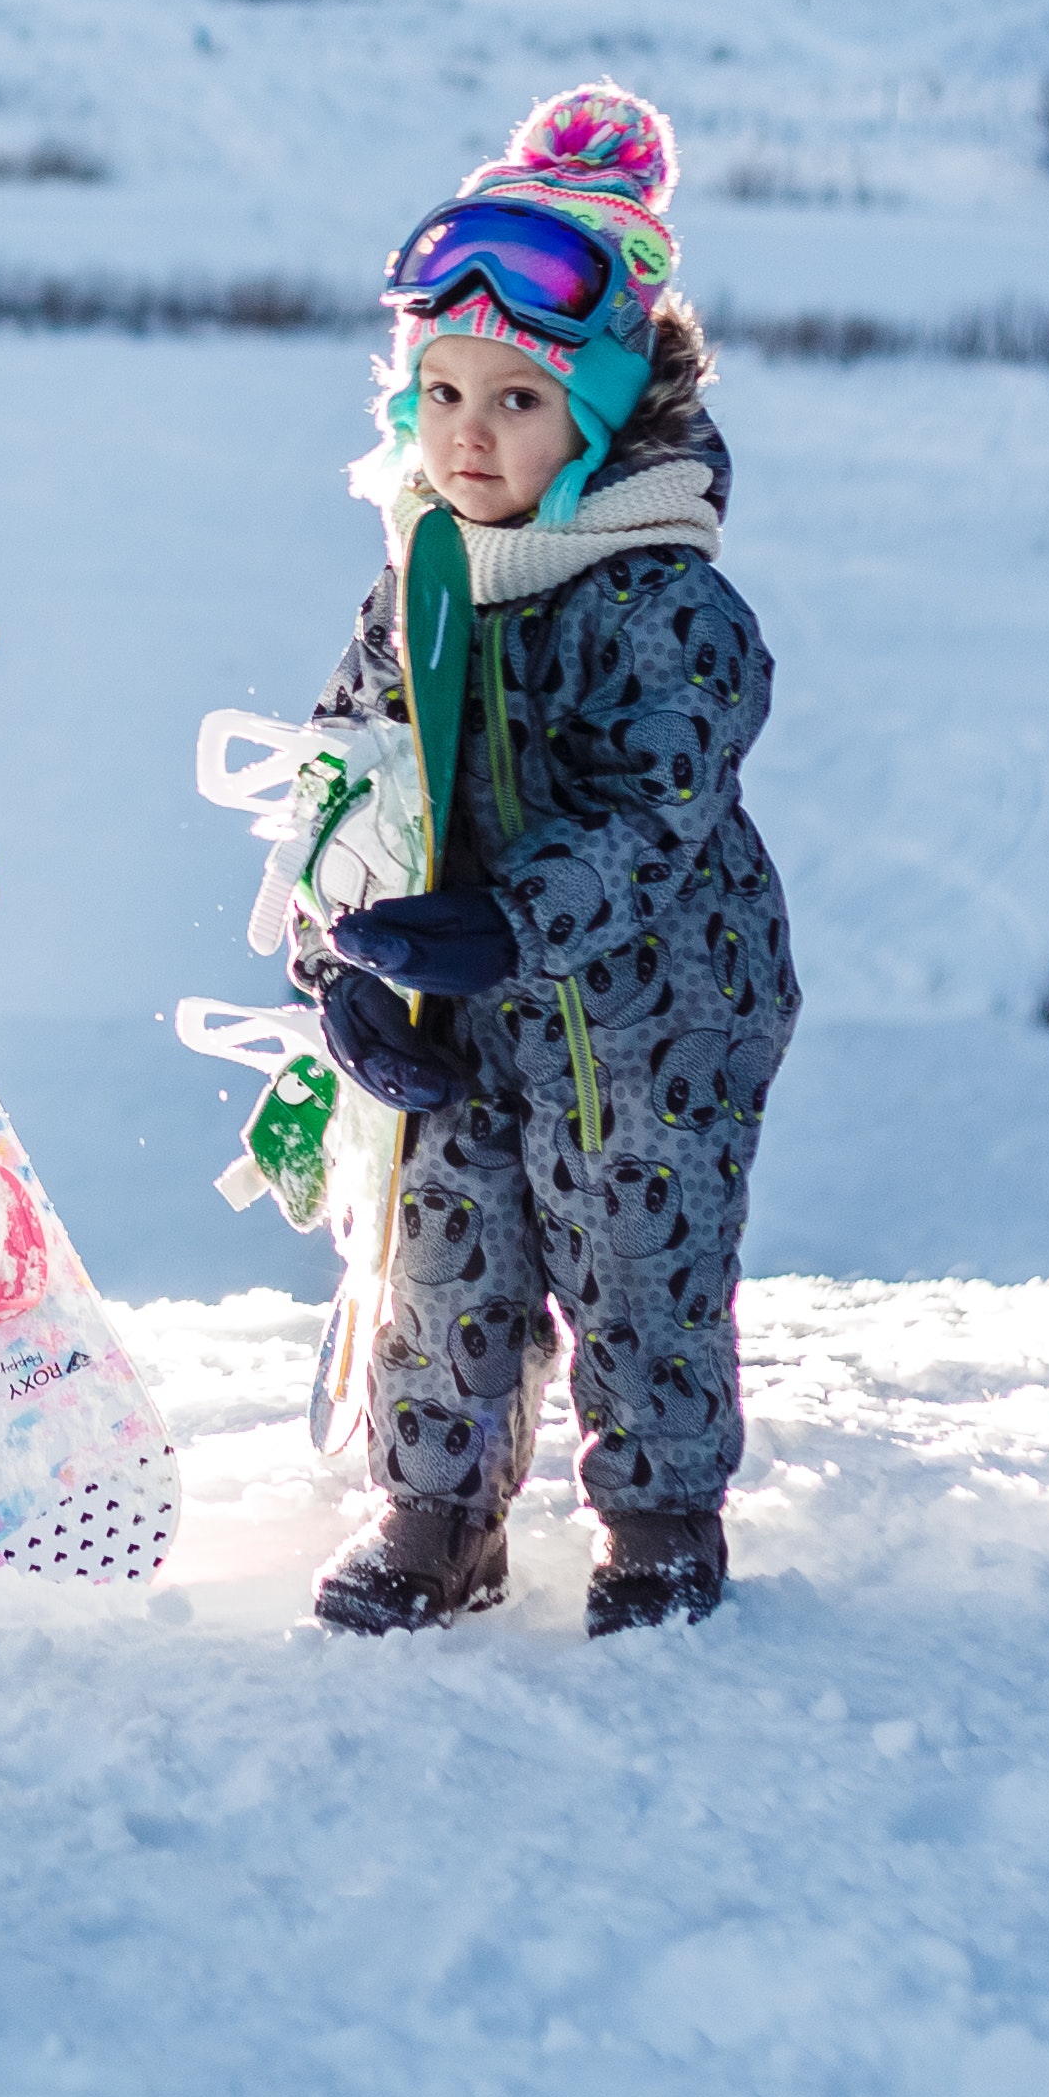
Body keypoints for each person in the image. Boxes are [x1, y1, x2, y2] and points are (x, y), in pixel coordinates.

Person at [288, 82, 798, 1638]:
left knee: (638, 1262)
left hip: (655, 1024)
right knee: (446, 1262)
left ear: (608, 404)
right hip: (463, 1019)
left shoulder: (666, 604)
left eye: (515, 399)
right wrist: (344, 974)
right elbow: (343, 804)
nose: (468, 434)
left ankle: (656, 1518)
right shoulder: (417, 590)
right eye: (440, 394)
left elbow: (658, 817)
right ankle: (436, 1514)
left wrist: (511, 925)